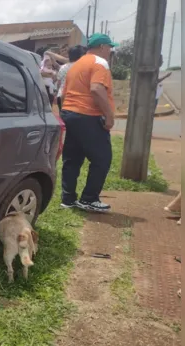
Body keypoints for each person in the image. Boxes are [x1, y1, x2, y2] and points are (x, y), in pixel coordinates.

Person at [59, 33, 119, 213]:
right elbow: (96, 88)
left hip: (70, 113)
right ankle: (89, 199)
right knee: (102, 158)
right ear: (102, 47)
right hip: (88, 115)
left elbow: (63, 94)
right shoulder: (99, 63)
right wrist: (109, 115)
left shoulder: (76, 65)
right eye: (109, 47)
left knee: (72, 158)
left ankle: (68, 199)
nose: (110, 51)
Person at [50, 46, 86, 111]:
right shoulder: (82, 66)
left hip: (61, 96)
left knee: (63, 118)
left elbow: (59, 83)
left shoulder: (63, 67)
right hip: (74, 98)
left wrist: (57, 93)